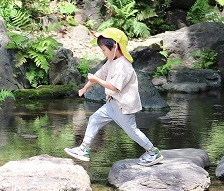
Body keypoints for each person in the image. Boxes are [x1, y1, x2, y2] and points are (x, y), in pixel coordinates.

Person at [64, 27, 163, 166]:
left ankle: (153, 151)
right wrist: (84, 88)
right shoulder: (112, 61)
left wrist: (97, 81)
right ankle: (84, 149)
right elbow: (98, 75)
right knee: (94, 119)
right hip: (111, 104)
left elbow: (114, 87)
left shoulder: (123, 66)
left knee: (132, 132)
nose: (103, 53)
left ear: (115, 46)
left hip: (122, 106)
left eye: (104, 50)